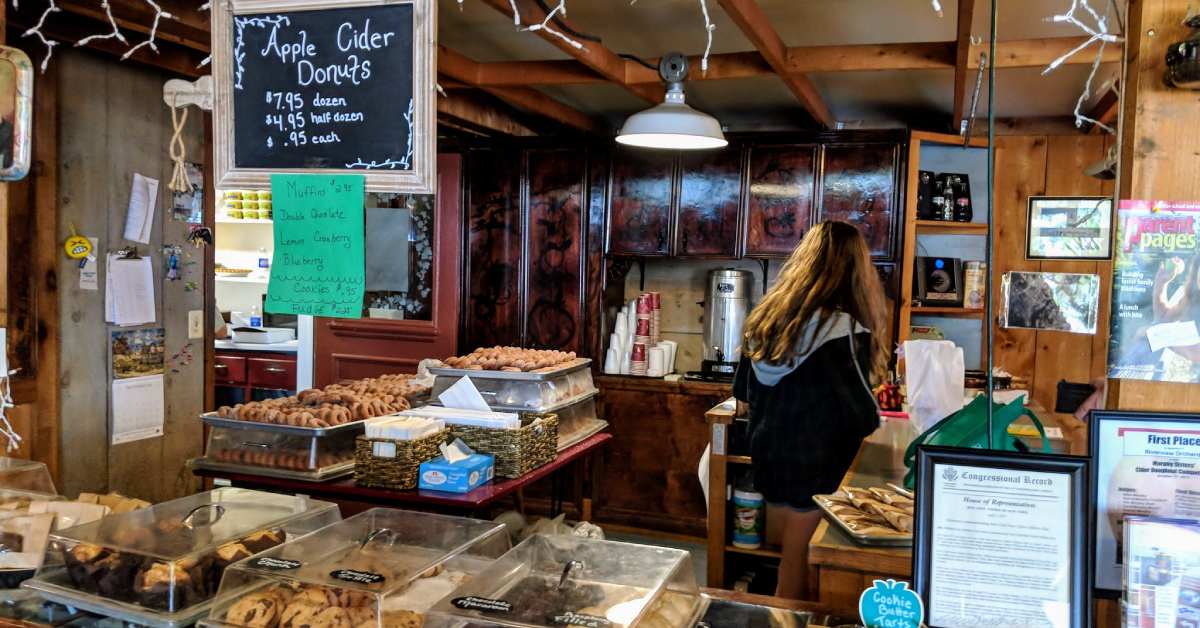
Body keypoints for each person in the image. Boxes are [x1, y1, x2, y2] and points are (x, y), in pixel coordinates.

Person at [733, 220, 886, 600]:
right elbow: (864, 416)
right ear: (854, 271)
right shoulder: (845, 331)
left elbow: (742, 395)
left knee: (789, 559)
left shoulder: (765, 321)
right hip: (819, 470)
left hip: (769, 460)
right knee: (799, 570)